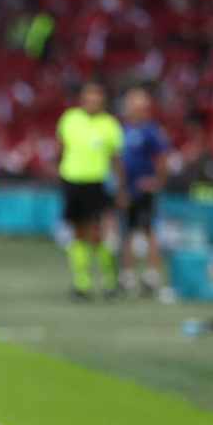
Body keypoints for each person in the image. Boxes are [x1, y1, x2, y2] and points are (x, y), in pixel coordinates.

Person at [56, 81, 124, 299]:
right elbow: (61, 148)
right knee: (77, 231)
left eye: (96, 95)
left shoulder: (110, 124)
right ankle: (82, 283)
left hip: (97, 183)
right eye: (89, 95)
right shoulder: (70, 119)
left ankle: (109, 281)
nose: (92, 100)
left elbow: (116, 159)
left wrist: (121, 187)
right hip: (72, 181)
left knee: (97, 233)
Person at [118, 86, 172, 298]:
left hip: (144, 189)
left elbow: (162, 159)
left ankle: (152, 275)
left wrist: (158, 181)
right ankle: (127, 275)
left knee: (149, 230)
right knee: (127, 231)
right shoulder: (121, 130)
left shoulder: (151, 131)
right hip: (127, 188)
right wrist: (120, 187)